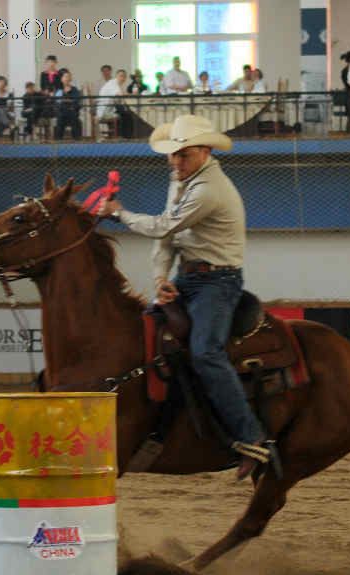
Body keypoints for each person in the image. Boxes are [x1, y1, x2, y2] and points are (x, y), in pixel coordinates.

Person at [98, 114, 281, 480]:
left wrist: (119, 214)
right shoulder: (181, 180)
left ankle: (252, 436)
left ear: (205, 152)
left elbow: (164, 226)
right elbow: (168, 237)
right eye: (173, 155)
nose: (176, 162)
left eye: (184, 155)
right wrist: (161, 277)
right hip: (187, 280)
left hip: (218, 283)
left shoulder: (208, 190)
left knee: (206, 351)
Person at [96, 68, 128, 137]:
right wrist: (131, 94)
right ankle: (124, 136)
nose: (123, 78)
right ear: (116, 76)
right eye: (121, 76)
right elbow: (120, 95)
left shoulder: (117, 84)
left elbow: (119, 99)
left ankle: (122, 136)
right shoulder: (113, 83)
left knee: (125, 113)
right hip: (105, 111)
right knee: (126, 114)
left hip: (110, 108)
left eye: (124, 76)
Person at [55, 69, 82, 139]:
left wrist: (66, 101)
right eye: (65, 77)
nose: (67, 78)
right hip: (62, 112)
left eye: (68, 76)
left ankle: (77, 140)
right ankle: (58, 140)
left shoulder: (74, 89)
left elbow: (77, 100)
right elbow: (58, 102)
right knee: (60, 119)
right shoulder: (59, 90)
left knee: (75, 119)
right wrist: (69, 101)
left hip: (72, 111)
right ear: (61, 79)